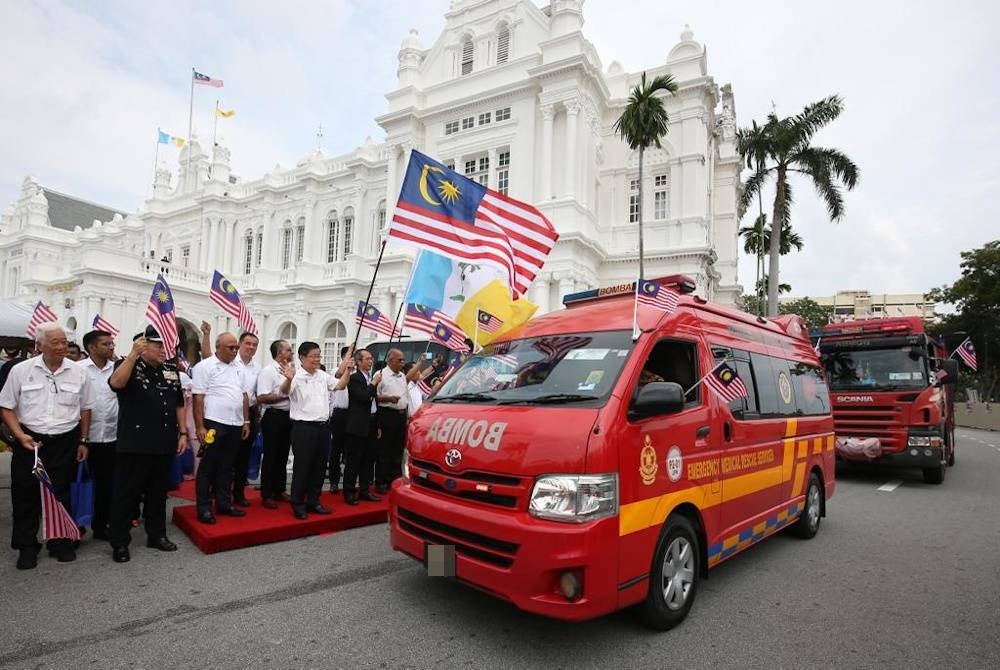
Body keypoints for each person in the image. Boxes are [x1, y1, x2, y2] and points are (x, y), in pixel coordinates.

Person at [0, 322, 94, 569]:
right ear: (39, 344)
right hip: (30, 441)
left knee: (61, 493)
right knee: (25, 495)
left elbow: (85, 409)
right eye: (55, 342)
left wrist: (84, 439)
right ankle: (27, 546)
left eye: (64, 342)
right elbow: (7, 406)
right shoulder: (21, 370)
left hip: (65, 440)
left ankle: (60, 542)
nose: (62, 346)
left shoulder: (79, 372)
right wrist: (19, 435)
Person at [106, 326, 186, 563]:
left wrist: (183, 432)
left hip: (163, 441)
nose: (164, 350)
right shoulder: (128, 364)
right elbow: (116, 384)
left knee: (158, 493)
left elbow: (178, 403)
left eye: (166, 346)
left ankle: (156, 534)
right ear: (144, 345)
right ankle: (120, 542)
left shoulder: (171, 369)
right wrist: (132, 355)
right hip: (135, 442)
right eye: (158, 345)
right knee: (127, 493)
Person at [192, 332, 251, 524]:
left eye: (236, 347)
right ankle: (204, 508)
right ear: (218, 347)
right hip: (214, 423)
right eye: (231, 347)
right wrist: (200, 426)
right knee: (208, 466)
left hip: (235, 423)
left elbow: (243, 395)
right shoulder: (204, 366)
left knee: (227, 466)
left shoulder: (239, 367)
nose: (235, 351)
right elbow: (198, 397)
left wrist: (246, 421)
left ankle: (224, 504)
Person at [280, 342, 342, 519]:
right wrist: (289, 379)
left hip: (323, 428)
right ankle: (298, 503)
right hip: (303, 428)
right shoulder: (295, 375)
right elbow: (284, 391)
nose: (317, 359)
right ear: (302, 357)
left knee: (320, 467)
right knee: (303, 466)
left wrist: (347, 369)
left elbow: (341, 385)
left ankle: (314, 501)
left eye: (319, 356)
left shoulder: (322, 375)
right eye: (313, 356)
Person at [79, 329, 118, 540]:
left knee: (106, 485)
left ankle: (101, 525)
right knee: (79, 483)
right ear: (91, 347)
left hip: (111, 437)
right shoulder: (78, 369)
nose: (111, 347)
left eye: (111, 343)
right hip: (84, 439)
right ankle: (77, 527)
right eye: (106, 344)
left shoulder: (119, 368)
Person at [339, 348, 382, 506]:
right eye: (367, 359)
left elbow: (374, 403)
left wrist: (377, 425)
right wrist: (374, 383)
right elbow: (363, 397)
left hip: (371, 423)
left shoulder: (370, 377)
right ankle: (349, 492)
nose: (370, 361)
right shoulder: (355, 378)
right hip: (357, 425)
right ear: (358, 361)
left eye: (371, 358)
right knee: (354, 460)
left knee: (368, 460)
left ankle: (364, 490)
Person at [256, 339, 294, 509]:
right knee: (271, 455)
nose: (291, 353)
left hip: (289, 416)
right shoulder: (268, 371)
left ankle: (279, 489)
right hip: (273, 415)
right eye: (288, 350)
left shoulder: (292, 370)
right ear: (279, 353)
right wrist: (285, 396)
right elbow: (262, 397)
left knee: (283, 454)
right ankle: (266, 493)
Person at [231, 332, 260, 506]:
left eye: (254, 345)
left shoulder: (258, 368)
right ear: (240, 344)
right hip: (230, 411)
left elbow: (256, 393)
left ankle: (239, 492)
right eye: (248, 343)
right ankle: (219, 490)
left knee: (244, 455)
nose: (251, 347)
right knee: (226, 454)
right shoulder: (230, 364)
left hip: (250, 412)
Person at [375, 348, 409, 493]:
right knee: (384, 450)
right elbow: (374, 397)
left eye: (403, 360)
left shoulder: (402, 375)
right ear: (389, 360)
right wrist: (388, 399)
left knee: (397, 450)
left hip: (401, 416)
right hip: (386, 414)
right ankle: (381, 481)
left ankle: (394, 480)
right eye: (399, 360)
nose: (402, 363)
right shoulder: (380, 374)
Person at [327, 345, 354, 493]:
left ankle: (348, 483)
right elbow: (339, 374)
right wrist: (349, 353)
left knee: (350, 450)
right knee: (335, 451)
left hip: (353, 414)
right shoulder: (333, 372)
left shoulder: (357, 375)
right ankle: (334, 481)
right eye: (350, 357)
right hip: (339, 414)